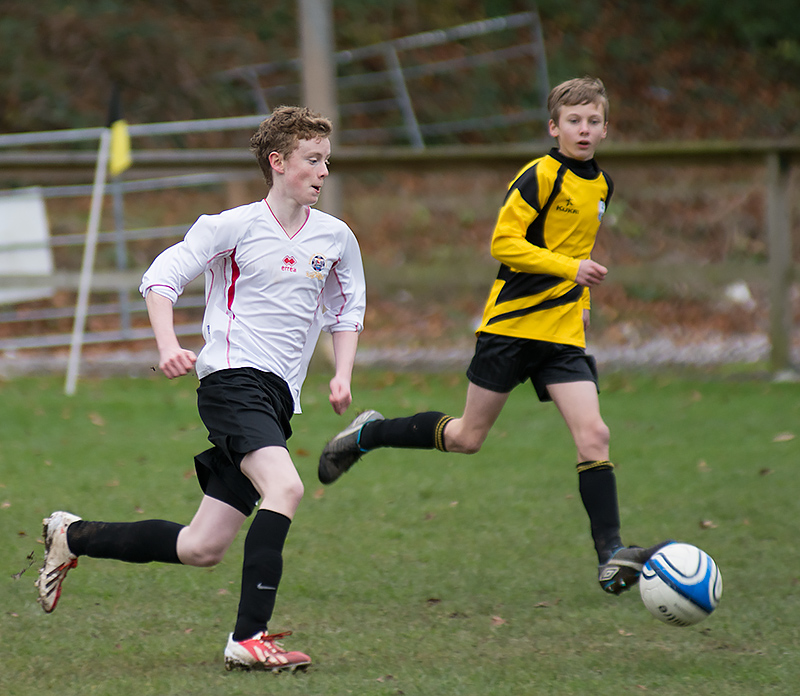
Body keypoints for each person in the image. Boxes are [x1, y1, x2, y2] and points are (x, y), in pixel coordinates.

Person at [35, 105, 367, 672]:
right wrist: (168, 344)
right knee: (284, 488)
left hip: (277, 400)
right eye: (312, 160)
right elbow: (161, 278)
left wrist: (343, 372)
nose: (323, 172)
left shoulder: (335, 238)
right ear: (278, 162)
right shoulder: (229, 227)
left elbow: (346, 307)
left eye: (327, 160)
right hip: (232, 382)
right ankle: (248, 638)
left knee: (201, 547)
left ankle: (72, 536)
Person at [318, 77, 669, 595]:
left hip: (563, 334)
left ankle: (611, 555)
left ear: (605, 127)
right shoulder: (539, 177)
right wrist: (569, 270)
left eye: (594, 121)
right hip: (510, 328)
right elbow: (504, 243)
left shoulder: (601, 185)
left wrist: (583, 300)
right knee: (466, 438)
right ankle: (369, 434)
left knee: (594, 435)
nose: (585, 129)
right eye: (574, 121)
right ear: (554, 128)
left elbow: (581, 247)